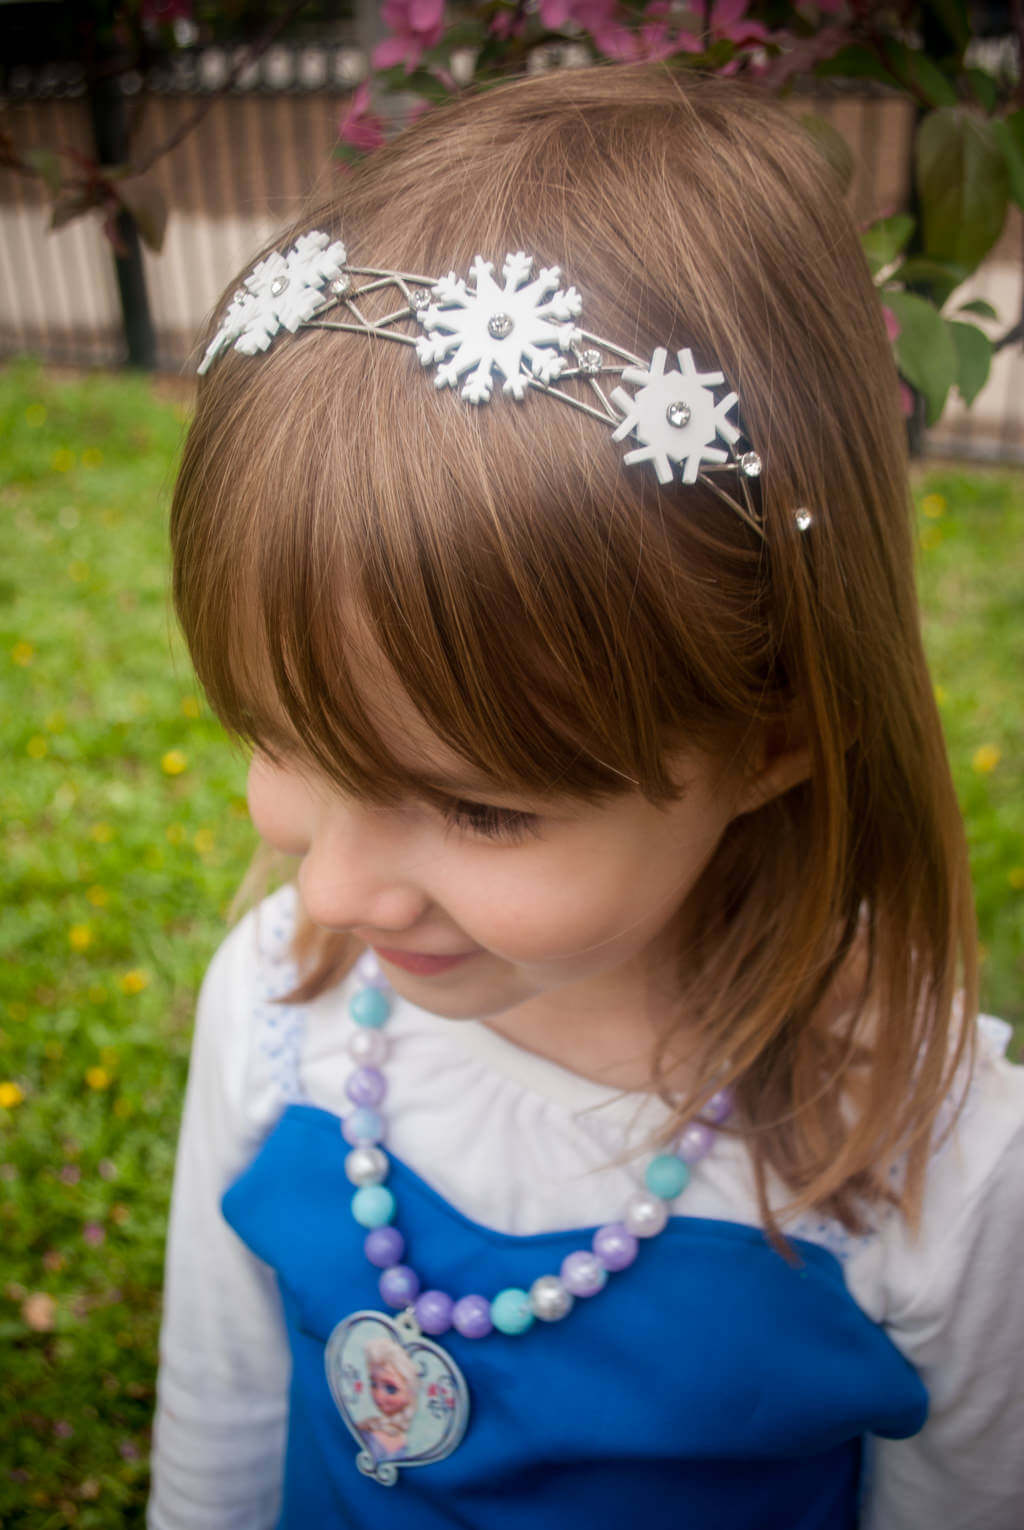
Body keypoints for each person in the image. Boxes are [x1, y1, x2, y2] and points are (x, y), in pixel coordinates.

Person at [147, 63, 1024, 1530]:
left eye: (481, 809)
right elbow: (220, 1415)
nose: (333, 895)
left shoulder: (932, 1167)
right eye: (282, 735)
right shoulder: (282, 1010)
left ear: (772, 740)